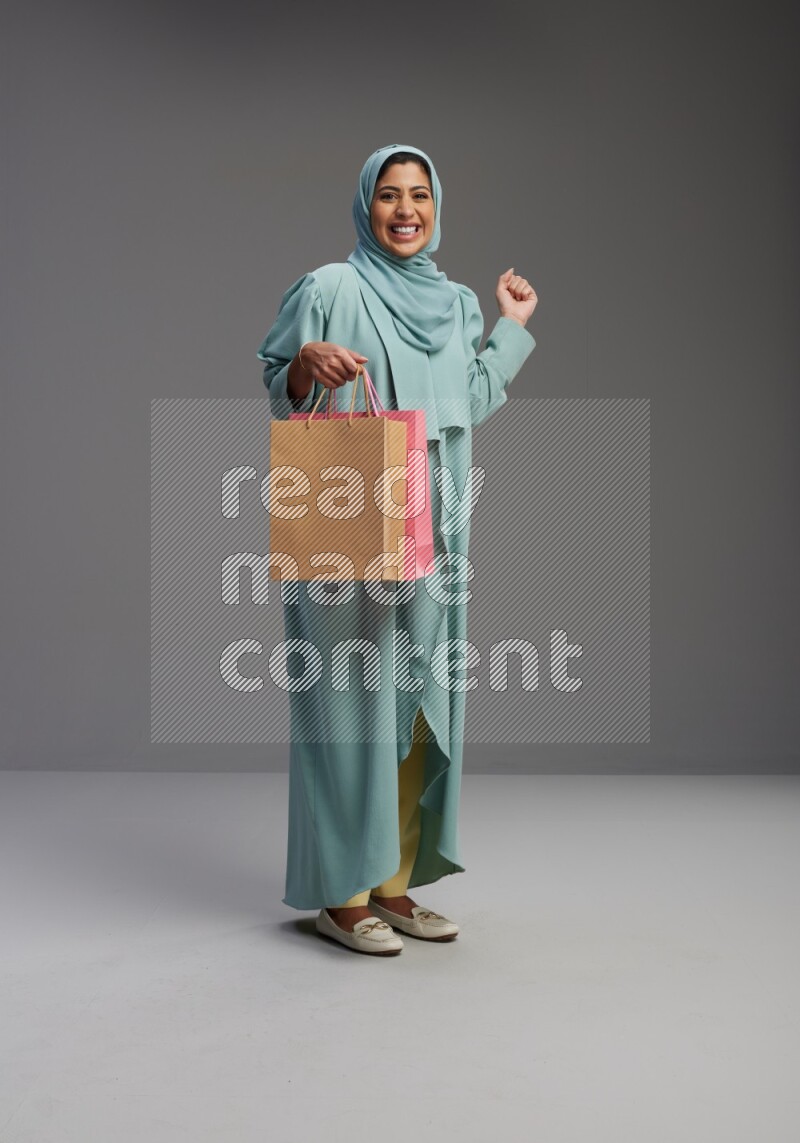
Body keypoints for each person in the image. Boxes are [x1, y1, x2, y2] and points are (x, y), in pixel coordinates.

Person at [257, 143, 537, 956]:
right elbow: (279, 381)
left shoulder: (455, 306)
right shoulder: (329, 288)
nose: (405, 209)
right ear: (365, 206)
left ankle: (392, 882)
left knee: (418, 701)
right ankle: (340, 897)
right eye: (389, 195)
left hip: (436, 533)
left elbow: (471, 399)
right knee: (346, 707)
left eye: (419, 194)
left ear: (437, 205)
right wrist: (305, 367)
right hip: (348, 529)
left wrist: (512, 329)